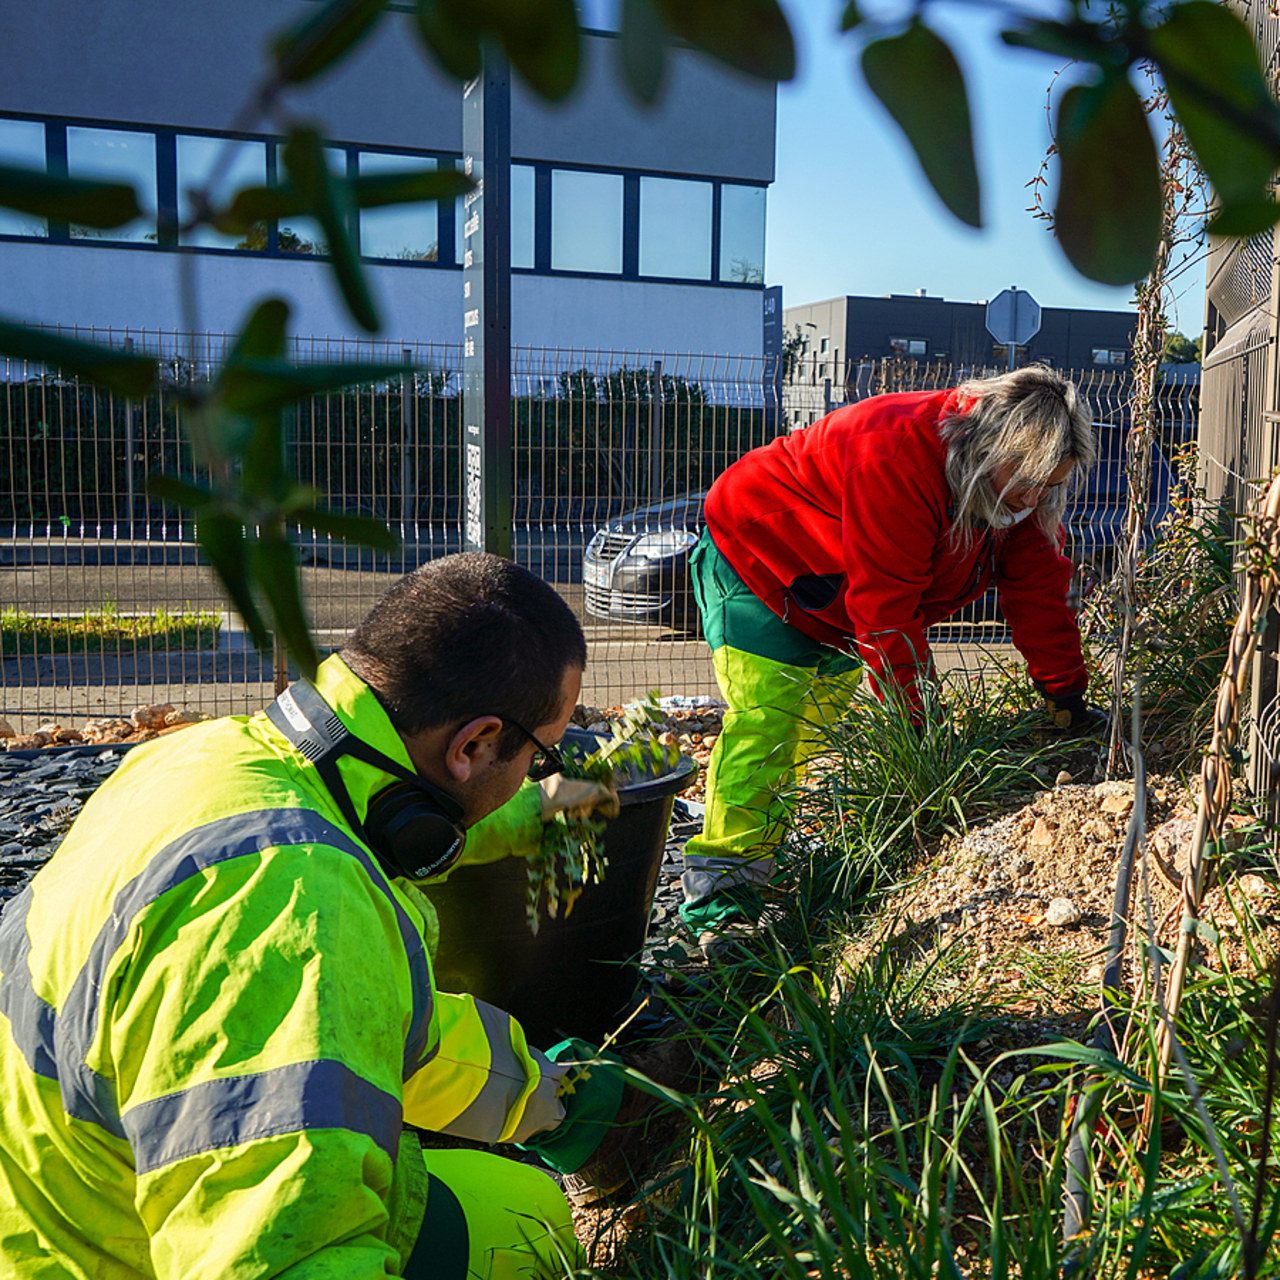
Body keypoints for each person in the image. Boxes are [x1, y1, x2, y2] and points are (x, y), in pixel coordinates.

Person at [0, 552, 626, 1279]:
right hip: (121, 1252)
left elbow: (369, 1033)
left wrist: (555, 1101)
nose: (536, 775)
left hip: (61, 1190)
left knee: (529, 1205)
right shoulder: (297, 910)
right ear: (477, 744)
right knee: (533, 1236)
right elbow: (276, 1250)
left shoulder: (208, 763)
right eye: (540, 759)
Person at [681, 365, 1102, 957]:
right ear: (991, 447)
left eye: (1047, 487)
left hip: (836, 597)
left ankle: (762, 872)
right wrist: (923, 741)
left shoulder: (1018, 481)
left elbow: (1036, 585)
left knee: (807, 736)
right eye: (1026, 483)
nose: (1032, 500)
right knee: (769, 724)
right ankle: (720, 901)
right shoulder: (896, 455)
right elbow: (887, 614)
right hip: (760, 558)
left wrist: (1064, 691)